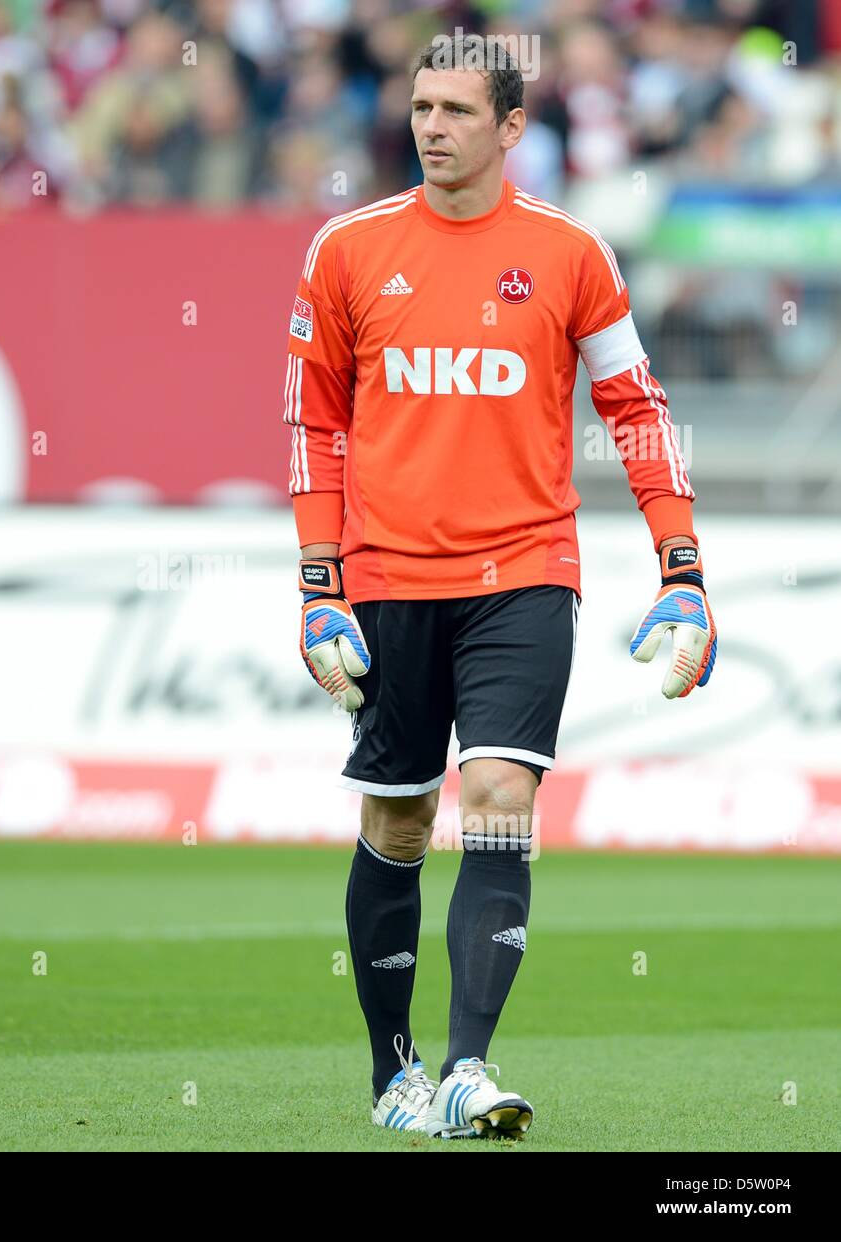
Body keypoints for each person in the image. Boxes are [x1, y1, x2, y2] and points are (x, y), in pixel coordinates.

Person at [283, 34, 715, 1139]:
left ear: (512, 127)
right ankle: (397, 1073)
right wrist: (317, 584)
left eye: (458, 110)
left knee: (500, 805)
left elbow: (637, 408)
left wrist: (682, 569)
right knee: (398, 815)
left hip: (524, 571)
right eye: (421, 106)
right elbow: (312, 425)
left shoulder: (571, 254)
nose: (432, 126)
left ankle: (470, 1067)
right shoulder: (347, 250)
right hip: (384, 575)